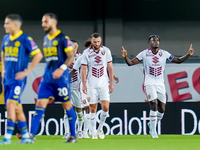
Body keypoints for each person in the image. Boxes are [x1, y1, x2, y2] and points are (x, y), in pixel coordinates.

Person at [121, 35, 194, 138]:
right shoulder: (144, 54)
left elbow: (178, 60)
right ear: (149, 43)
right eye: (153, 41)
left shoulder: (164, 53)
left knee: (162, 109)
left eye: (157, 41)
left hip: (160, 84)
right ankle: (153, 131)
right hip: (149, 83)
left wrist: (188, 54)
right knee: (154, 104)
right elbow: (131, 63)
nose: (155, 42)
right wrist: (125, 57)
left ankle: (152, 123)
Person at [29, 13, 77, 143]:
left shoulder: (63, 38)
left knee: (67, 106)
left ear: (54, 23)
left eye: (45, 22)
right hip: (47, 80)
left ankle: (73, 136)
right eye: (42, 22)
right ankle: (31, 136)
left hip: (61, 80)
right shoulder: (46, 39)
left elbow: (71, 56)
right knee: (39, 105)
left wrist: (61, 69)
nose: (43, 24)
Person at [0, 14, 43, 144]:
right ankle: (25, 136)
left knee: (11, 104)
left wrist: (27, 71)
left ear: (15, 25)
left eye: (7, 23)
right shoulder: (6, 38)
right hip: (7, 79)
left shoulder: (25, 39)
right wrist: (3, 69)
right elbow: (3, 53)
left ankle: (7, 136)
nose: (4, 26)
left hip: (18, 80)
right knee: (16, 107)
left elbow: (38, 55)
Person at [81, 33, 114, 139]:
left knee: (105, 107)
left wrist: (111, 83)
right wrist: (84, 84)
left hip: (104, 84)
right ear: (91, 41)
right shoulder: (86, 53)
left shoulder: (106, 51)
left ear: (101, 41)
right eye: (95, 42)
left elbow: (110, 67)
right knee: (93, 108)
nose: (97, 43)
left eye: (98, 41)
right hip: (91, 84)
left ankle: (100, 128)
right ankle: (93, 131)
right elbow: (84, 69)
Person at [63, 39, 83, 139]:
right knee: (66, 109)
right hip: (66, 87)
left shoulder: (81, 57)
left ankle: (79, 130)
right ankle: (67, 132)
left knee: (79, 109)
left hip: (77, 87)